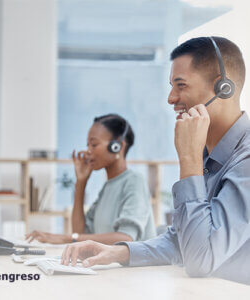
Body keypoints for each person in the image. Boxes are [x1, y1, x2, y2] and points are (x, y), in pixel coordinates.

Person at [60, 37, 250, 285]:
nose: (171, 98)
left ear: (222, 87)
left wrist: (189, 158)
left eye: (181, 85)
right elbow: (181, 240)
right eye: (171, 86)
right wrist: (117, 252)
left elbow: (201, 258)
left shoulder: (243, 161)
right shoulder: (208, 157)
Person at [26, 114, 156, 245]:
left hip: (138, 266)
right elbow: (81, 232)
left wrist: (65, 238)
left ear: (117, 146)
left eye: (94, 144)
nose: (88, 151)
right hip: (114, 265)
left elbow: (126, 238)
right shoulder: (108, 187)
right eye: (88, 145)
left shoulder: (135, 181)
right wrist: (81, 183)